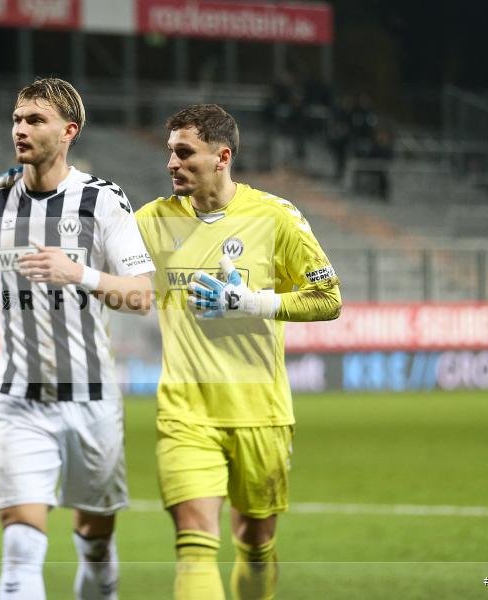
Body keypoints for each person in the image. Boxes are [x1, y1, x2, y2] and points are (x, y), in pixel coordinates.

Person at [134, 104, 342, 600]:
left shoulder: (275, 217)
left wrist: (250, 302)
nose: (172, 164)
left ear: (222, 156)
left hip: (260, 413)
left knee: (255, 543)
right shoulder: (151, 222)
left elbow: (329, 299)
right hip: (185, 411)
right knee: (194, 544)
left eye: (185, 153)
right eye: (170, 153)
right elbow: (107, 274)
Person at [0, 77, 155, 600]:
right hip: (19, 400)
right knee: (21, 549)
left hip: (92, 401)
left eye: (35, 120)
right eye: (17, 118)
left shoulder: (102, 201)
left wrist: (80, 274)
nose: (20, 128)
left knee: (95, 540)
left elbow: (141, 295)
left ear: (68, 131)